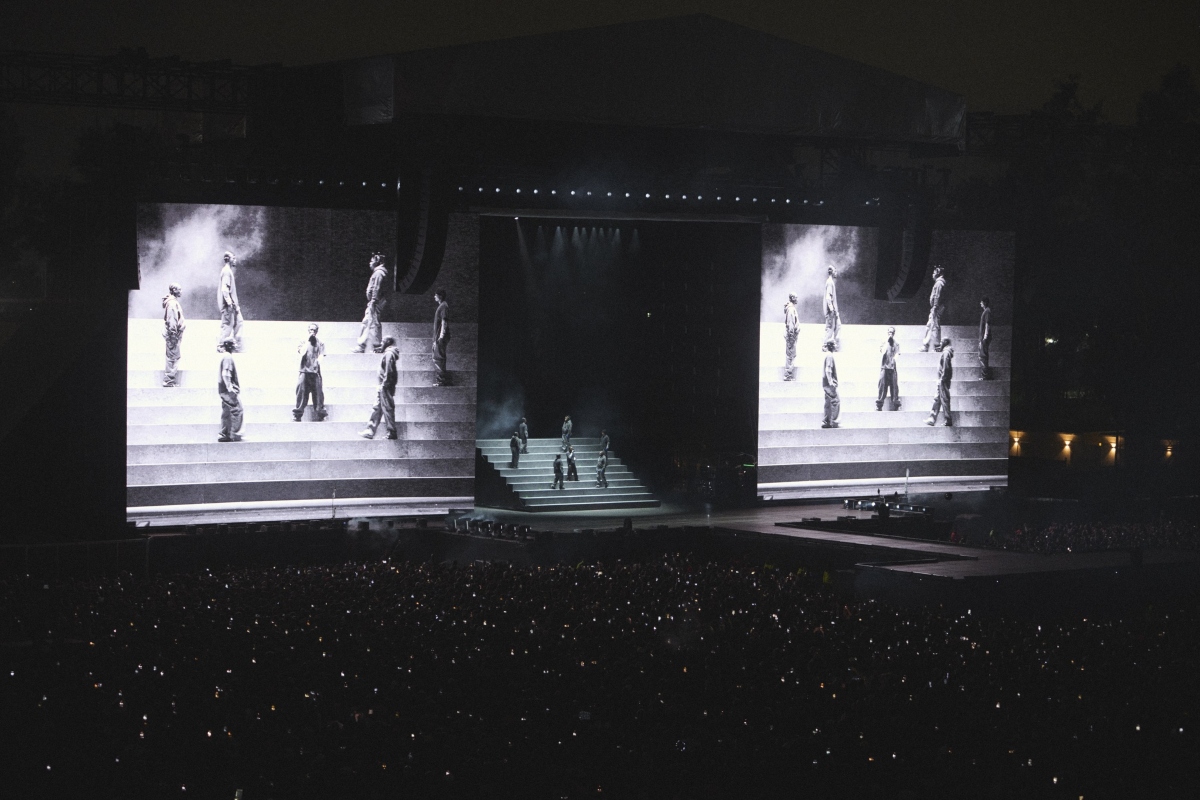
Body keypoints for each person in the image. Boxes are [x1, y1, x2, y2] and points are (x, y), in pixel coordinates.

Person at [360, 337, 400, 440]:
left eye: (383, 342)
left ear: (387, 342)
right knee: (377, 408)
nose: (381, 344)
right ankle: (370, 430)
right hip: (383, 387)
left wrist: (384, 385)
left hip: (385, 387)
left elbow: (389, 371)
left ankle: (392, 432)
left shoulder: (389, 354)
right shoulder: (388, 353)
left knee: (387, 408)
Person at [353, 253, 388, 354]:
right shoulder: (378, 272)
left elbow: (377, 288)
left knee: (370, 323)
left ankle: (364, 346)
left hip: (375, 302)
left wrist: (373, 301)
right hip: (375, 302)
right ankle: (373, 346)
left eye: (371, 261)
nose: (370, 263)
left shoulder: (379, 273)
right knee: (371, 323)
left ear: (377, 262)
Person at [293, 323, 327, 422]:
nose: (313, 331)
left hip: (315, 372)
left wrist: (317, 362)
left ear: (317, 331)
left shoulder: (320, 343)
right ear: (308, 330)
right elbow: (302, 352)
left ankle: (320, 413)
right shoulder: (303, 341)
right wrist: (307, 341)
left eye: (314, 330)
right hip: (304, 371)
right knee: (301, 392)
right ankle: (298, 414)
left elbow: (322, 355)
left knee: (318, 393)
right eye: (311, 329)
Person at [217, 338, 243, 442]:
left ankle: (225, 434)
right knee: (237, 410)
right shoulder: (228, 357)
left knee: (227, 412)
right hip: (228, 391)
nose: (236, 345)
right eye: (234, 343)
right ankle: (233, 434)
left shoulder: (226, 356)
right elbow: (226, 373)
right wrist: (230, 388)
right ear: (230, 345)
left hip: (224, 391)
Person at [217, 251, 243, 352]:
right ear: (228, 259)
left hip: (232, 305)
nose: (235, 260)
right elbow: (224, 289)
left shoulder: (227, 271)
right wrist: (229, 303)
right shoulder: (227, 271)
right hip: (229, 306)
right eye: (234, 258)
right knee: (228, 325)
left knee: (239, 322)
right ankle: (221, 346)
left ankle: (234, 344)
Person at [162, 282, 185, 387]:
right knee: (172, 358)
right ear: (174, 290)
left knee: (173, 357)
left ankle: (169, 380)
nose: (181, 291)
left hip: (174, 335)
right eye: (179, 289)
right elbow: (172, 320)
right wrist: (173, 335)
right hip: (173, 336)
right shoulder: (172, 303)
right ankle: (168, 380)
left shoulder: (173, 302)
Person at [927, 338, 954, 426]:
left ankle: (948, 419)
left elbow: (946, 367)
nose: (940, 343)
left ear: (945, 343)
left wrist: (942, 378)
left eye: (942, 342)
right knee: (937, 399)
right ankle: (932, 418)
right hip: (942, 380)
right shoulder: (945, 352)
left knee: (944, 399)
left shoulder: (946, 353)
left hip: (943, 380)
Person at [921, 266, 946, 352]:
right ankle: (936, 345)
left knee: (930, 325)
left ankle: (926, 345)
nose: (932, 274)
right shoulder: (940, 283)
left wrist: (935, 306)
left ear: (938, 273)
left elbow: (937, 296)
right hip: (937, 307)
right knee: (935, 325)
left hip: (936, 308)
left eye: (934, 272)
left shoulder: (939, 283)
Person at [876, 326, 901, 411]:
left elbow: (897, 354)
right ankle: (879, 405)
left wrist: (894, 360)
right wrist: (887, 342)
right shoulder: (884, 342)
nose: (891, 333)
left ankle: (896, 404)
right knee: (882, 386)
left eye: (892, 332)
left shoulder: (896, 343)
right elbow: (882, 352)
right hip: (884, 367)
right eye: (889, 332)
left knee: (894, 387)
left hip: (892, 368)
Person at [431, 288, 451, 386]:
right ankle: (441, 380)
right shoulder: (442, 306)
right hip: (438, 337)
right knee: (438, 358)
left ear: (440, 296)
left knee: (439, 358)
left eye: (435, 295)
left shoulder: (444, 306)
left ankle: (441, 380)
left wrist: (441, 335)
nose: (434, 296)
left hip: (441, 337)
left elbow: (444, 321)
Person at [821, 341, 839, 428]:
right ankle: (833, 421)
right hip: (829, 385)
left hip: (826, 384)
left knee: (828, 403)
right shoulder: (830, 356)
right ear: (831, 346)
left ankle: (826, 421)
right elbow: (828, 370)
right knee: (835, 401)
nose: (836, 346)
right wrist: (831, 383)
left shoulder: (828, 355)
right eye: (835, 344)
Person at [823, 267, 841, 351]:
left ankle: (833, 344)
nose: (836, 272)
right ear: (831, 272)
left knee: (837, 326)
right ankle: (825, 345)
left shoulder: (830, 282)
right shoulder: (830, 282)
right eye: (835, 271)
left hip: (833, 311)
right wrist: (832, 309)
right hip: (831, 311)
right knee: (830, 329)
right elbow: (828, 298)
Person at [783, 292, 799, 380]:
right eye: (796, 297)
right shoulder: (791, 309)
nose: (797, 299)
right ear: (792, 298)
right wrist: (792, 336)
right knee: (790, 355)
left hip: (791, 336)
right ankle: (788, 375)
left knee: (791, 355)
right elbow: (791, 324)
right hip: (791, 336)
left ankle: (788, 374)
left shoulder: (790, 309)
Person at [978, 296, 993, 380]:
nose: (980, 303)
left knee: (983, 356)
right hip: (983, 338)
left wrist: (985, 336)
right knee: (982, 355)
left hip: (984, 338)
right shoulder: (986, 311)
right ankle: (985, 375)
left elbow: (987, 324)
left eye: (981, 302)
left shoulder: (987, 311)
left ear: (984, 303)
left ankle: (985, 376)